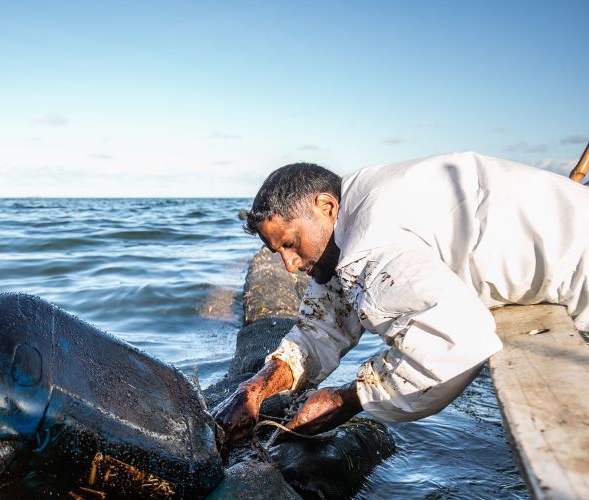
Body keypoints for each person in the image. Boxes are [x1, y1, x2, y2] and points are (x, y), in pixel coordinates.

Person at [212, 152, 589, 446]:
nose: (290, 266)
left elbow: (456, 342)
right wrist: (256, 388)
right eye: (277, 252)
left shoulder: (370, 242)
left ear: (326, 206)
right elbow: (322, 328)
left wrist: (346, 400)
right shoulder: (355, 205)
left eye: (291, 244)